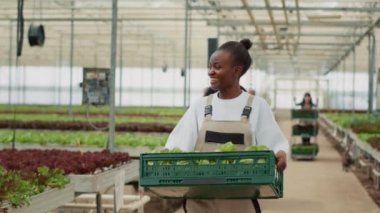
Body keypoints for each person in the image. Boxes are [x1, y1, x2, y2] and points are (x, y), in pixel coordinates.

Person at [165, 38, 288, 213]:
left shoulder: (257, 106)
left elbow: (275, 143)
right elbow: (177, 145)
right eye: (210, 67)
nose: (210, 72)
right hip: (201, 202)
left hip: (240, 202)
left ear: (236, 71)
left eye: (217, 67)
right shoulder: (200, 106)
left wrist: (280, 154)